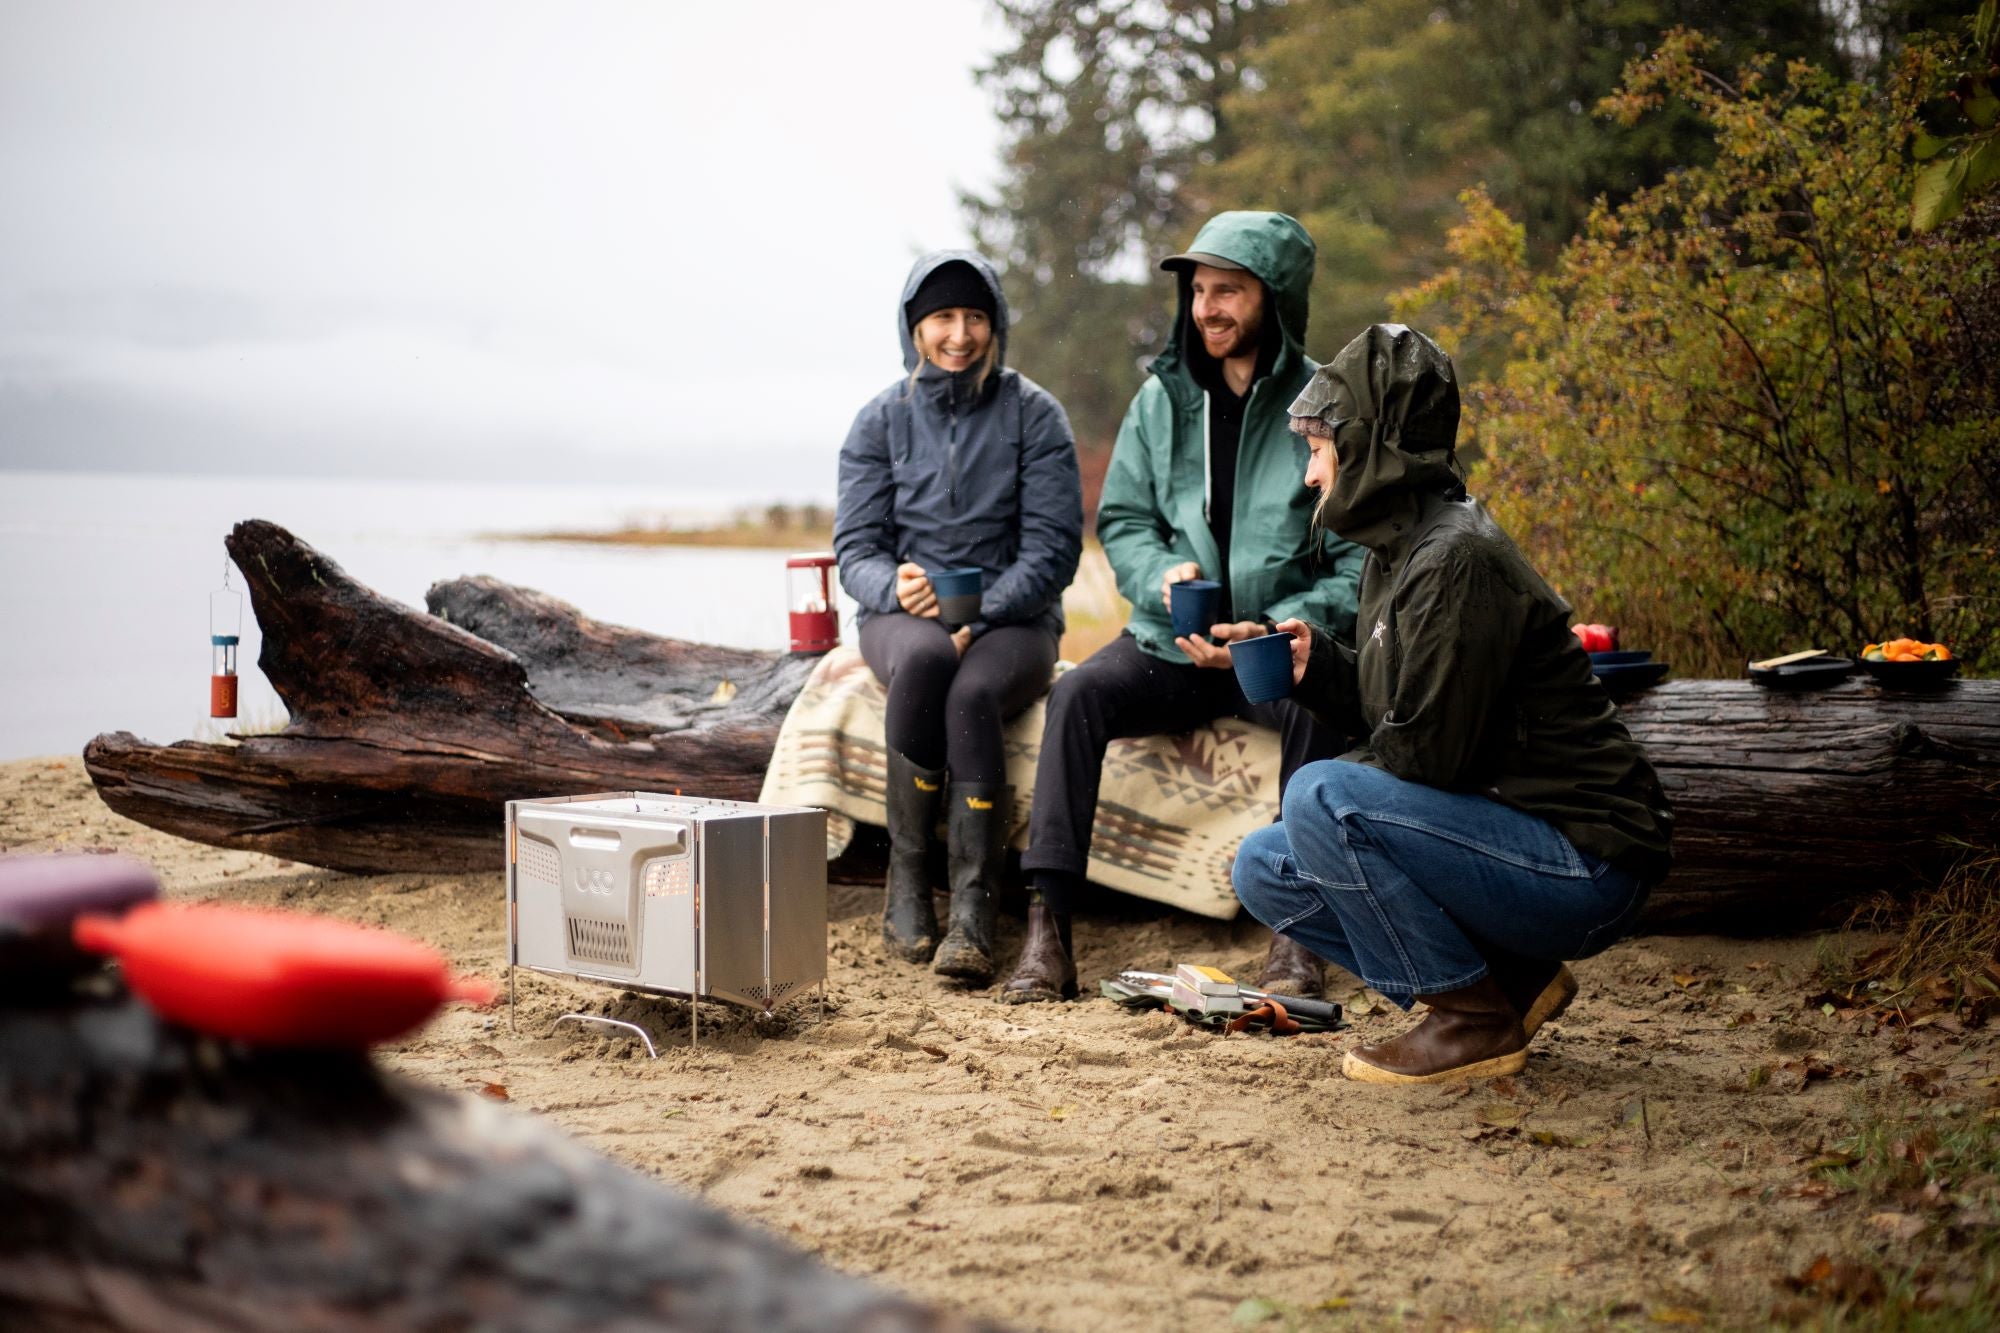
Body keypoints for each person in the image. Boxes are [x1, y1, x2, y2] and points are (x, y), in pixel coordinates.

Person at [1232, 323, 1675, 1083]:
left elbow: (1426, 758)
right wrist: (1324, 670)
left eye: (1318, 448)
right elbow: (1406, 716)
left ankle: (1472, 1017)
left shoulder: (1455, 558)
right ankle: (1510, 980)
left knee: (1319, 796)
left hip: (1585, 860)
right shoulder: (1396, 551)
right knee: (1265, 866)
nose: (1310, 475)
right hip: (1509, 835)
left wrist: (1338, 791)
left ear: (1369, 443)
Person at [1004, 210, 1364, 1003]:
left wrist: (1278, 625)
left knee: (1325, 706)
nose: (1207, 307)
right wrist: (1164, 576)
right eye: (1199, 290)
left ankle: (1297, 935)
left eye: (1228, 290)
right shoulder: (1163, 401)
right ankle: (1047, 929)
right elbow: (1124, 520)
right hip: (1176, 643)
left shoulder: (1325, 408)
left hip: (1270, 647)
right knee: (1076, 695)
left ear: (1274, 297)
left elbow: (1354, 559)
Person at [834, 251, 1084, 984]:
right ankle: (907, 884)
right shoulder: (879, 419)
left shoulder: (1034, 415)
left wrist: (982, 611)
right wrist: (895, 583)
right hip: (902, 614)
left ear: (995, 322)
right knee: (927, 660)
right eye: (942, 317)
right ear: (915, 327)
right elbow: (856, 548)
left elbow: (1054, 551)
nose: (959, 333)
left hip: (1018, 618)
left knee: (974, 691)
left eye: (975, 316)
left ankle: (975, 908)